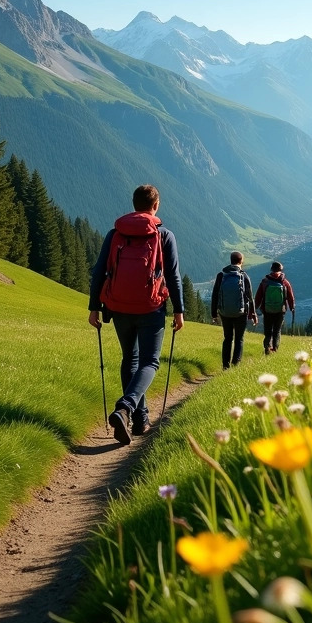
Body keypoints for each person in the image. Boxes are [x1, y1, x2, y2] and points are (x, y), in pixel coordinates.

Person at [88, 184, 184, 446]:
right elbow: (173, 276)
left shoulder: (115, 233)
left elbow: (99, 272)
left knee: (129, 358)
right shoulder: (164, 235)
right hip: (151, 308)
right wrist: (179, 310)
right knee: (150, 362)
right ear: (156, 205)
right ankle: (126, 407)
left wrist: (93, 307)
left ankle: (140, 418)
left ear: (134, 204)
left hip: (118, 307)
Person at [210, 251, 257, 369]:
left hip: (225, 312)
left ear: (230, 261)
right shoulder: (244, 275)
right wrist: (253, 313)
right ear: (241, 261)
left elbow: (215, 294)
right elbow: (250, 296)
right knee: (239, 339)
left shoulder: (221, 275)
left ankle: (225, 366)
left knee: (227, 338)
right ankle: (236, 365)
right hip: (241, 312)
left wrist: (214, 314)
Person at [255, 261, 295, 354]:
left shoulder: (265, 281)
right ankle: (275, 349)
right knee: (277, 330)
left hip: (267, 310)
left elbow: (258, 296)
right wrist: (292, 307)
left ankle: (267, 347)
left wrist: (255, 308)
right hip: (280, 310)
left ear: (271, 269)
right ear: (281, 270)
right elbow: (290, 296)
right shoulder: (285, 282)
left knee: (268, 330)